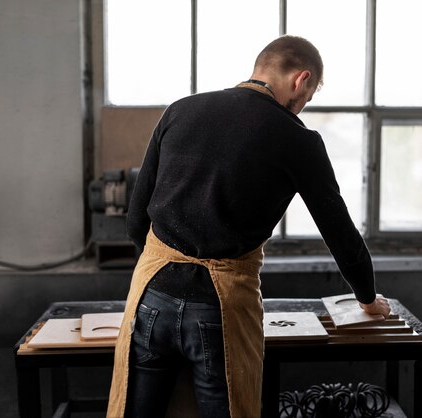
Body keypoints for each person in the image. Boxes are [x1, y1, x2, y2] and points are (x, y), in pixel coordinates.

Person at [107, 35, 391, 418]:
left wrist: (168, 267)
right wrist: (368, 299)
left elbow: (136, 219)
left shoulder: (181, 110)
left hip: (150, 293)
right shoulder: (298, 139)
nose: (303, 106)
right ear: (301, 79)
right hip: (220, 307)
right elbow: (339, 233)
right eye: (308, 96)